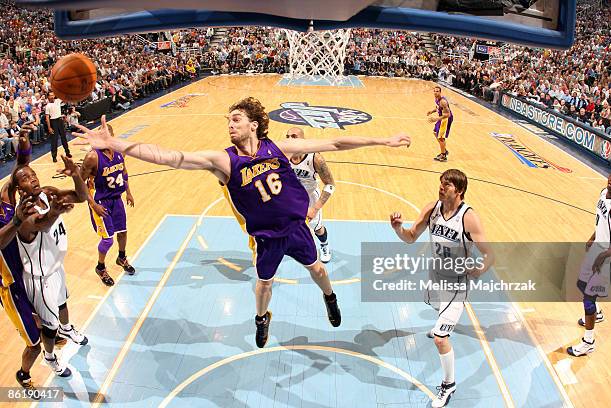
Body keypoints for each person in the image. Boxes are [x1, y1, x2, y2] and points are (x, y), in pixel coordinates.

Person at [73, 97, 411, 348]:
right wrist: (114, 144)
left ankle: (330, 299)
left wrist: (383, 140)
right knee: (264, 286)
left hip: (296, 229)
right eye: (229, 121)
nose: (230, 125)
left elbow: (335, 142)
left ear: (254, 125)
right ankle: (262, 319)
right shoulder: (224, 160)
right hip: (267, 238)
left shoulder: (279, 146)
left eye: (236, 119)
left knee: (320, 271)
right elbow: (170, 157)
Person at [390, 169, 493, 408]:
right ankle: (441, 325)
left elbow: (490, 253)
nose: (441, 187)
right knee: (438, 314)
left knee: (440, 338)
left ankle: (449, 385)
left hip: (457, 283)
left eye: (447, 185)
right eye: (441, 183)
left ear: (459, 191)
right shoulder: (432, 208)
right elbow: (411, 237)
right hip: (435, 275)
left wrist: (478, 270)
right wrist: (398, 228)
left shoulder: (468, 217)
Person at [13, 155, 89, 377]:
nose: (33, 179)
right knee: (49, 326)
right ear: (19, 189)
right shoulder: (23, 215)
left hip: (56, 267)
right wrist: (56, 210)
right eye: (26, 178)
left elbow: (81, 197)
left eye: (33, 174)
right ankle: (49, 357)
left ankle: (67, 329)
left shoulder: (46, 193)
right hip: (40, 279)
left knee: (63, 302)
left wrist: (75, 174)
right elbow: (43, 224)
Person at [0, 127, 44, 391]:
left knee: (45, 319)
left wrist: (24, 143)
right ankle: (22, 374)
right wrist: (16, 220)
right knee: (34, 342)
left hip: (26, 273)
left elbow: (21, 167)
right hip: (9, 286)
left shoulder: (5, 196)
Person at [80, 124, 135, 286]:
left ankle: (121, 257)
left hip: (116, 199)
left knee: (123, 232)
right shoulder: (92, 157)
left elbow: (123, 173)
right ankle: (100, 267)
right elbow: (79, 182)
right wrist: (93, 204)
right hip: (100, 202)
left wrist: (128, 192)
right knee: (107, 240)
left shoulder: (119, 152)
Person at [567, 174, 611, 357]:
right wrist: (593, 237)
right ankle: (597, 314)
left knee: (588, 299)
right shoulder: (604, 193)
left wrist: (603, 256)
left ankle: (588, 342)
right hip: (598, 250)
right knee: (581, 284)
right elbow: (601, 219)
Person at [286, 127, 334, 263]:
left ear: (302, 140)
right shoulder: (283, 156)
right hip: (290, 197)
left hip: (310, 197)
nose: (290, 139)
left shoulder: (315, 158)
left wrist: (315, 208)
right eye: (287, 136)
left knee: (317, 227)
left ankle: (325, 246)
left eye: (294, 136)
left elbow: (330, 185)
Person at [426, 86, 453, 162]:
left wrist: (436, 119)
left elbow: (448, 114)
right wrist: (432, 111)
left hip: (446, 119)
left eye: (437, 91)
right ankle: (444, 149)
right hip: (442, 118)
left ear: (440, 92)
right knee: (435, 132)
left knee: (441, 137)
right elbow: (438, 108)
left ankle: (443, 156)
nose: (435, 92)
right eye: (434, 91)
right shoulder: (436, 99)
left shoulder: (443, 102)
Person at [44, 92, 71, 162]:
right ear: (48, 97)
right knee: (54, 140)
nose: (52, 96)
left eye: (53, 95)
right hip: (53, 122)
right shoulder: (48, 106)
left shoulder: (58, 101)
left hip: (60, 121)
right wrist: (49, 127)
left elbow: (65, 99)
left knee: (64, 138)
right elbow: (47, 118)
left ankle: (67, 152)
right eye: (50, 95)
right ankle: (54, 156)